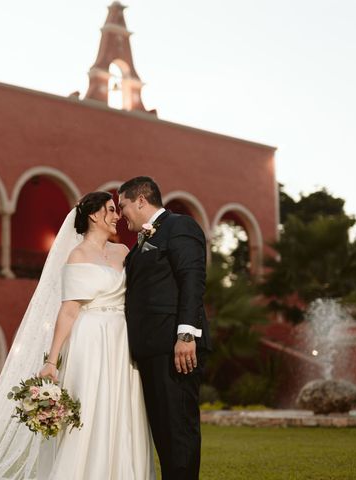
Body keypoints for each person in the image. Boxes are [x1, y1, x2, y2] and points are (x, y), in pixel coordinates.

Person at [0, 191, 155, 480]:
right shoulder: (77, 257)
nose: (117, 216)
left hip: (122, 340)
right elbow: (69, 312)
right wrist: (51, 361)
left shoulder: (124, 251)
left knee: (123, 410)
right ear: (94, 216)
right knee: (91, 410)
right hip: (90, 341)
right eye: (111, 210)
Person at [118, 176, 211, 480]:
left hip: (174, 347)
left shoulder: (180, 226)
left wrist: (186, 335)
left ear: (141, 200)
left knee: (178, 431)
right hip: (150, 349)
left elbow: (192, 280)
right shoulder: (142, 240)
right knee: (164, 434)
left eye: (124, 206)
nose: (122, 214)